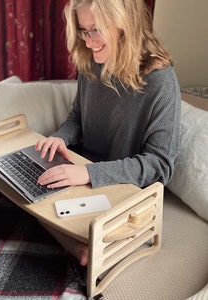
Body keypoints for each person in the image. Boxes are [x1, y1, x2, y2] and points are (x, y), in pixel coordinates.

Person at [35, 0, 181, 266]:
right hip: (85, 169)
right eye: (83, 30)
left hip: (122, 186)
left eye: (96, 30)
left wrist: (90, 174)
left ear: (124, 24)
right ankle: (82, 248)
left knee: (39, 205)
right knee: (29, 190)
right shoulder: (91, 62)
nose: (89, 42)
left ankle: (83, 248)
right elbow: (77, 117)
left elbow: (160, 166)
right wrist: (60, 137)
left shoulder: (160, 80)